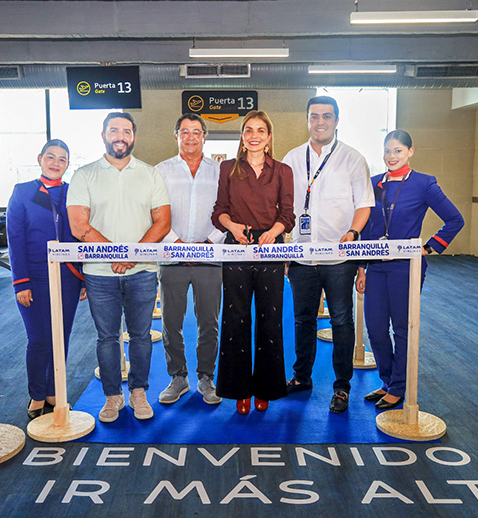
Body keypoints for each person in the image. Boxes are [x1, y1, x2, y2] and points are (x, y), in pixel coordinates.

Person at [67, 112, 171, 423]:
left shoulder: (150, 174)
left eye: (126, 131)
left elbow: (163, 221)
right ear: (103, 135)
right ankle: (113, 397)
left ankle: (139, 392)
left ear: (134, 137)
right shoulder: (84, 175)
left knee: (140, 336)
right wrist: (115, 253)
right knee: (107, 338)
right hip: (99, 273)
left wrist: (132, 254)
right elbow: (78, 225)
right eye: (113, 130)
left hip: (142, 271)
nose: (120, 136)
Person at [356, 130, 464, 410]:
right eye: (387, 151)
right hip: (376, 266)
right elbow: (366, 227)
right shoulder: (373, 184)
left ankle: (399, 387)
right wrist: (361, 268)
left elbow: (455, 219)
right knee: (376, 328)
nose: (392, 156)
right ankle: (386, 380)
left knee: (402, 328)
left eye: (398, 151)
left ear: (410, 152)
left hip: (407, 268)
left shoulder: (424, 184)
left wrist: (428, 247)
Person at [282, 96, 374, 414]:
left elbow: (363, 204)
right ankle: (301, 377)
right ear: (307, 120)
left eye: (327, 116)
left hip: (339, 259)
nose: (320, 121)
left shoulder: (353, 159)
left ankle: (341, 387)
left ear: (337, 120)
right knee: (302, 319)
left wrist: (353, 233)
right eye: (314, 116)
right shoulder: (292, 159)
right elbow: (283, 208)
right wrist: (284, 247)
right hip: (301, 258)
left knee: (341, 321)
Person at [211, 110, 295, 415]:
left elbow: (288, 214)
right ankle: (239, 390)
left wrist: (274, 232)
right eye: (249, 130)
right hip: (236, 245)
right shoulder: (228, 169)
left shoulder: (283, 170)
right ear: (243, 136)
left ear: (269, 137)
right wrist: (232, 227)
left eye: (261, 130)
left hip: (271, 246)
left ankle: (266, 388)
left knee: (269, 318)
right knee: (235, 319)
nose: (255, 135)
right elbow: (219, 210)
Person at [7, 139, 85, 420]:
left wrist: (83, 277)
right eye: (51, 157)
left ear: (67, 164)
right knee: (39, 338)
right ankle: (37, 394)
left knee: (60, 338)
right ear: (40, 158)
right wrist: (21, 282)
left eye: (62, 159)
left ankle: (55, 391)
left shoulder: (73, 193)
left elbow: (81, 233)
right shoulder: (22, 192)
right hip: (35, 276)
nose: (55, 163)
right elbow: (14, 240)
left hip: (68, 276)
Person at [155, 113, 225, 405]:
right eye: (185, 132)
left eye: (197, 132)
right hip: (172, 255)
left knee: (208, 320)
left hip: (211, 256)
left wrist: (209, 243)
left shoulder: (220, 171)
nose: (191, 137)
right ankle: (178, 377)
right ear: (176, 136)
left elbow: (228, 211)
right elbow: (154, 211)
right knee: (171, 321)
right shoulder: (161, 170)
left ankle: (206, 377)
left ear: (204, 137)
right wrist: (179, 245)